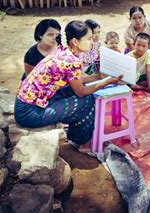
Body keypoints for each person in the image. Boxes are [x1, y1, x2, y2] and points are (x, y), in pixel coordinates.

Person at [15, 21, 122, 150]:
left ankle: (77, 135)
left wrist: (99, 77)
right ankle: (79, 141)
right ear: (75, 42)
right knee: (88, 100)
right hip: (29, 113)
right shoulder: (72, 61)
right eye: (88, 39)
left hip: (25, 104)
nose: (92, 42)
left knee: (77, 94)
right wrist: (108, 81)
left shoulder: (62, 51)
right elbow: (81, 92)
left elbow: (77, 80)